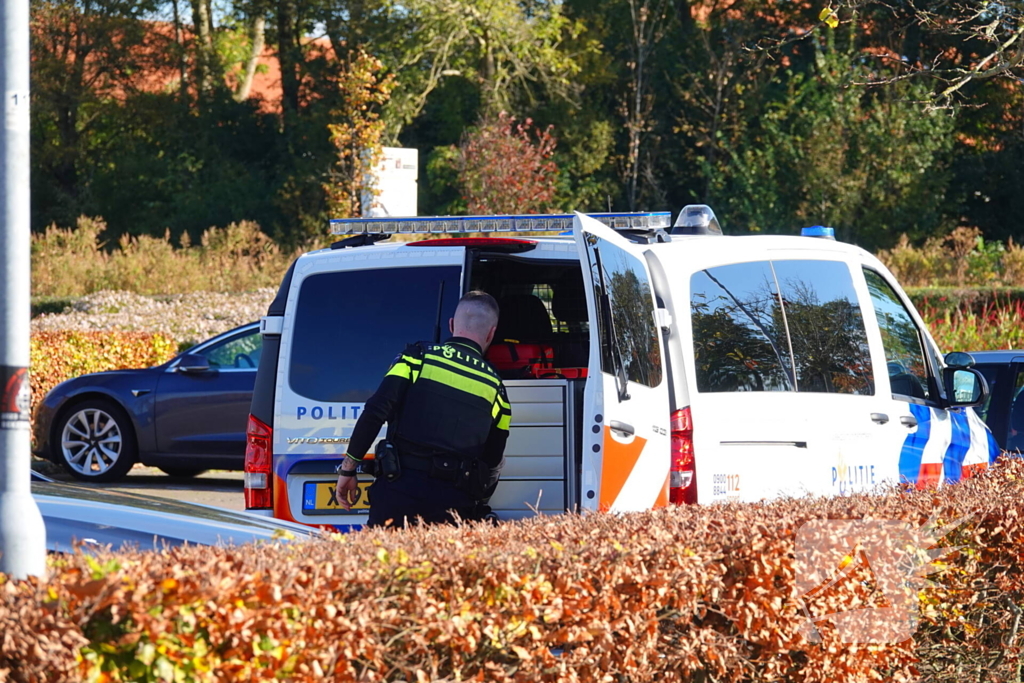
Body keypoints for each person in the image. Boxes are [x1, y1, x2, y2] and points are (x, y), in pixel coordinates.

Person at [335, 291, 512, 528]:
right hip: (454, 504)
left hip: (397, 495)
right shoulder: (497, 390)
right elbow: (492, 462)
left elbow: (375, 411)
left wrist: (348, 468)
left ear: (451, 324)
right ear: (491, 333)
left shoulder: (416, 359)